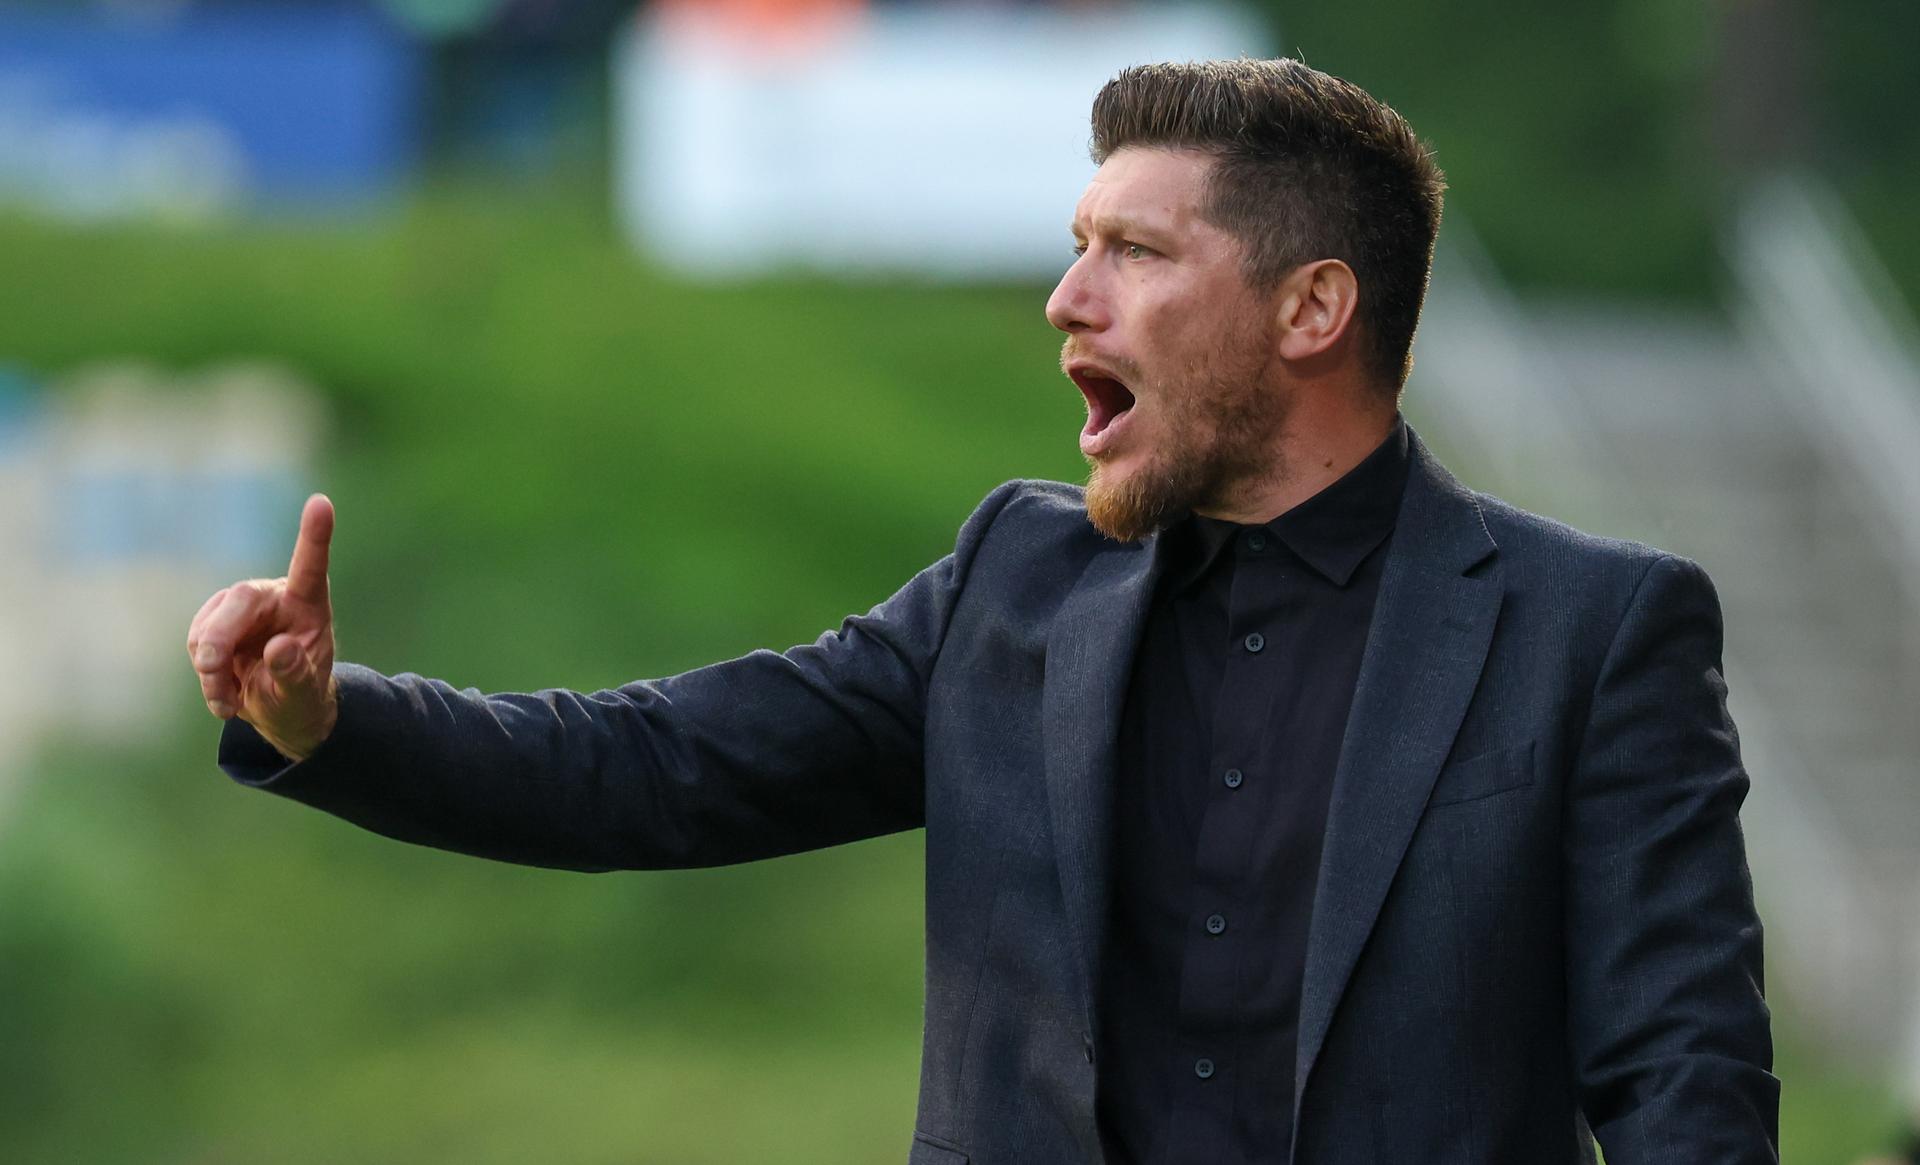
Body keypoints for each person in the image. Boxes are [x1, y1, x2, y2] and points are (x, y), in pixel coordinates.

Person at [186, 58, 1778, 1164]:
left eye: (1133, 252)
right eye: (1074, 248)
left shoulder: (1593, 631)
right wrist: (331, 722)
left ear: (1311, 308)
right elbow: (649, 769)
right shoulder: (1012, 586)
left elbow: (1683, 1080)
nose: (1065, 299)